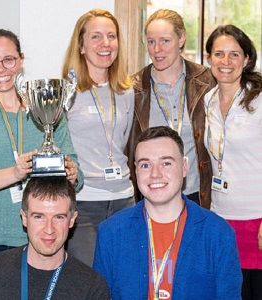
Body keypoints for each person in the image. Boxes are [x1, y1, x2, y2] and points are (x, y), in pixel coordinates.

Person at [0, 29, 82, 300]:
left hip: (33, 247)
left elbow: (77, 175)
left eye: (8, 60)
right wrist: (16, 172)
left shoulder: (44, 101)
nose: (1, 69)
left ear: (21, 60)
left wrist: (71, 171)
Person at [94, 126, 242, 299]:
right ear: (135, 170)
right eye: (145, 165)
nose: (155, 174)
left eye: (166, 163)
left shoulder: (218, 233)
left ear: (184, 166)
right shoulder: (111, 233)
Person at [60, 9, 135, 266]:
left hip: (124, 199)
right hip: (84, 202)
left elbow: (123, 140)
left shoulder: (127, 91)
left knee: (124, 277)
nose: (106, 44)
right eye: (96, 37)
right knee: (89, 283)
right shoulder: (66, 92)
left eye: (111, 36)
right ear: (81, 46)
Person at [0, 177, 110, 299]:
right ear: (24, 218)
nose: (49, 229)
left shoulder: (92, 287)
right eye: (39, 217)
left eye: (59, 217)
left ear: (72, 220)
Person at [127, 9, 216, 208]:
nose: (157, 49)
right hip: (152, 196)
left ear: (181, 38)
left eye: (165, 41)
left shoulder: (208, 81)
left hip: (197, 195)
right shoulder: (132, 89)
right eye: (151, 42)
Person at [203, 24, 262, 300]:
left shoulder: (259, 99)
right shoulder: (208, 101)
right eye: (219, 54)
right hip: (221, 217)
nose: (225, 62)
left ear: (246, 59)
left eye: (234, 55)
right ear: (209, 59)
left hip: (256, 218)